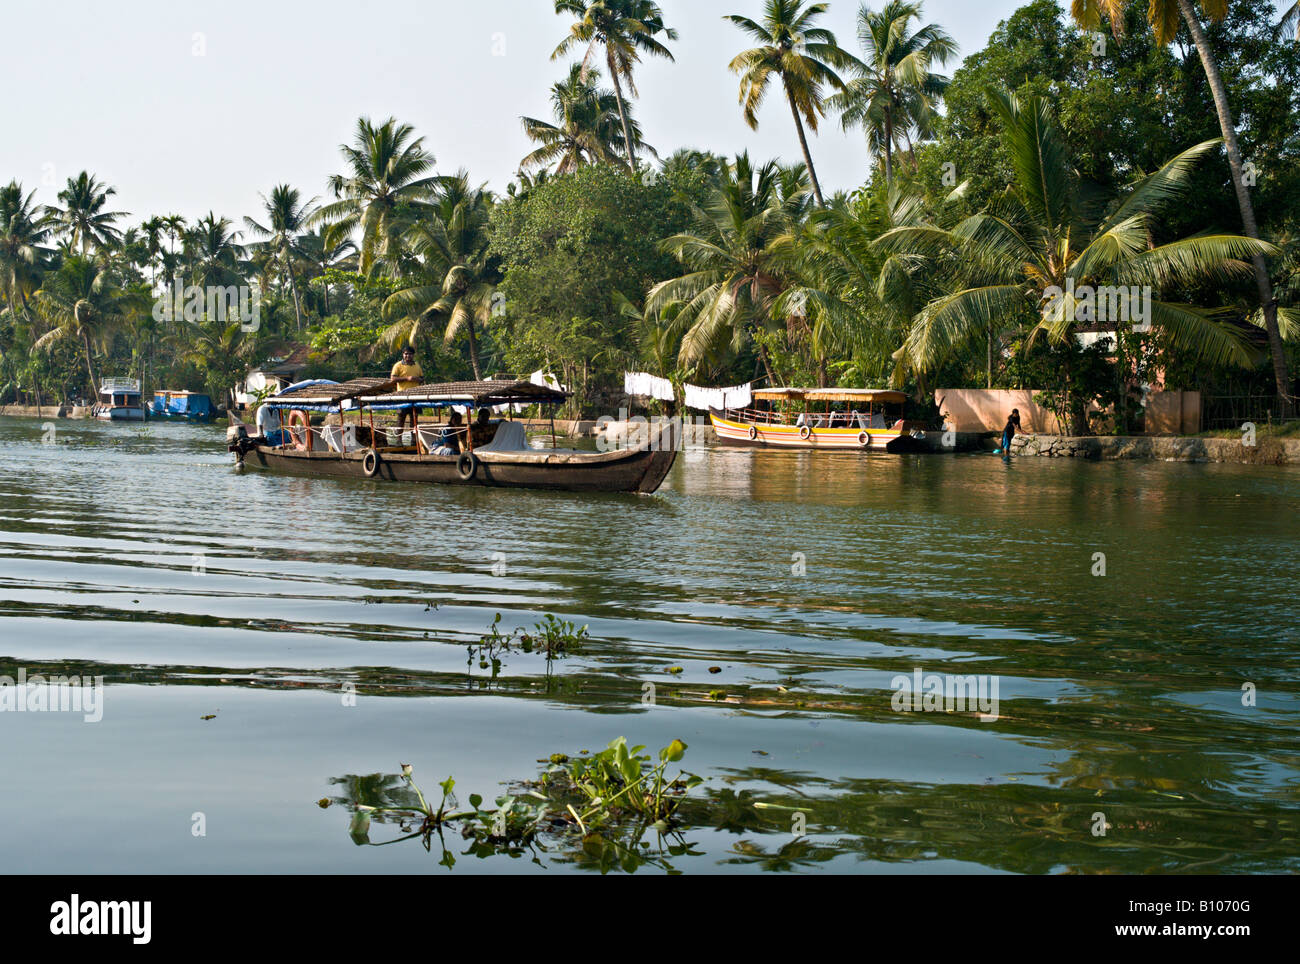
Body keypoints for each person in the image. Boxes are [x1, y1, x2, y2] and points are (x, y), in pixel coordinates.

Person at [390, 346, 423, 431]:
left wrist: (417, 379)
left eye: (410, 354)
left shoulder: (417, 365)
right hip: (402, 396)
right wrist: (407, 378)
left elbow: (422, 379)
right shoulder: (398, 365)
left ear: (413, 355)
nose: (408, 356)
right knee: (401, 418)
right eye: (406, 354)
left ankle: (414, 440)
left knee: (414, 419)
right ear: (403, 354)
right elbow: (393, 379)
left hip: (415, 396)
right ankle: (398, 441)